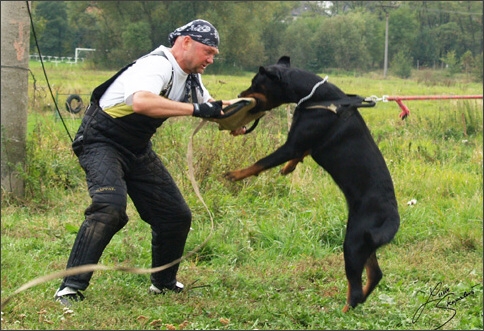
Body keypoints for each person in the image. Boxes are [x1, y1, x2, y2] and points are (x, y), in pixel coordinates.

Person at [54, 19, 244, 306]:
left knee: (175, 216)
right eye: (208, 51)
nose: (211, 59)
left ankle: (163, 284)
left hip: (137, 148)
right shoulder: (157, 65)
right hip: (101, 141)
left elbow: (211, 108)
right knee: (109, 208)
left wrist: (241, 114)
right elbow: (141, 102)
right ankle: (69, 288)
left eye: (214, 54)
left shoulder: (190, 77)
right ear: (186, 42)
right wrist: (196, 109)